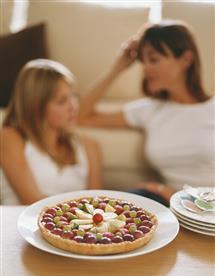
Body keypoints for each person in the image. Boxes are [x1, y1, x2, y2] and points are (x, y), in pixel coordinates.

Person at [78, 19, 215, 206]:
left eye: (154, 59)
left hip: (207, 208)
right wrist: (117, 68)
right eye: (143, 61)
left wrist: (183, 196)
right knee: (118, 207)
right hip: (174, 205)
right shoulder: (150, 110)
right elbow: (82, 116)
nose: (146, 68)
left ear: (186, 59)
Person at [0, 59, 102, 205]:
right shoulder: (10, 138)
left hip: (70, 227)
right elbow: (30, 200)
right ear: (36, 106)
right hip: (16, 225)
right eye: (62, 101)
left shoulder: (89, 146)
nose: (73, 106)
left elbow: (96, 206)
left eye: (74, 96)